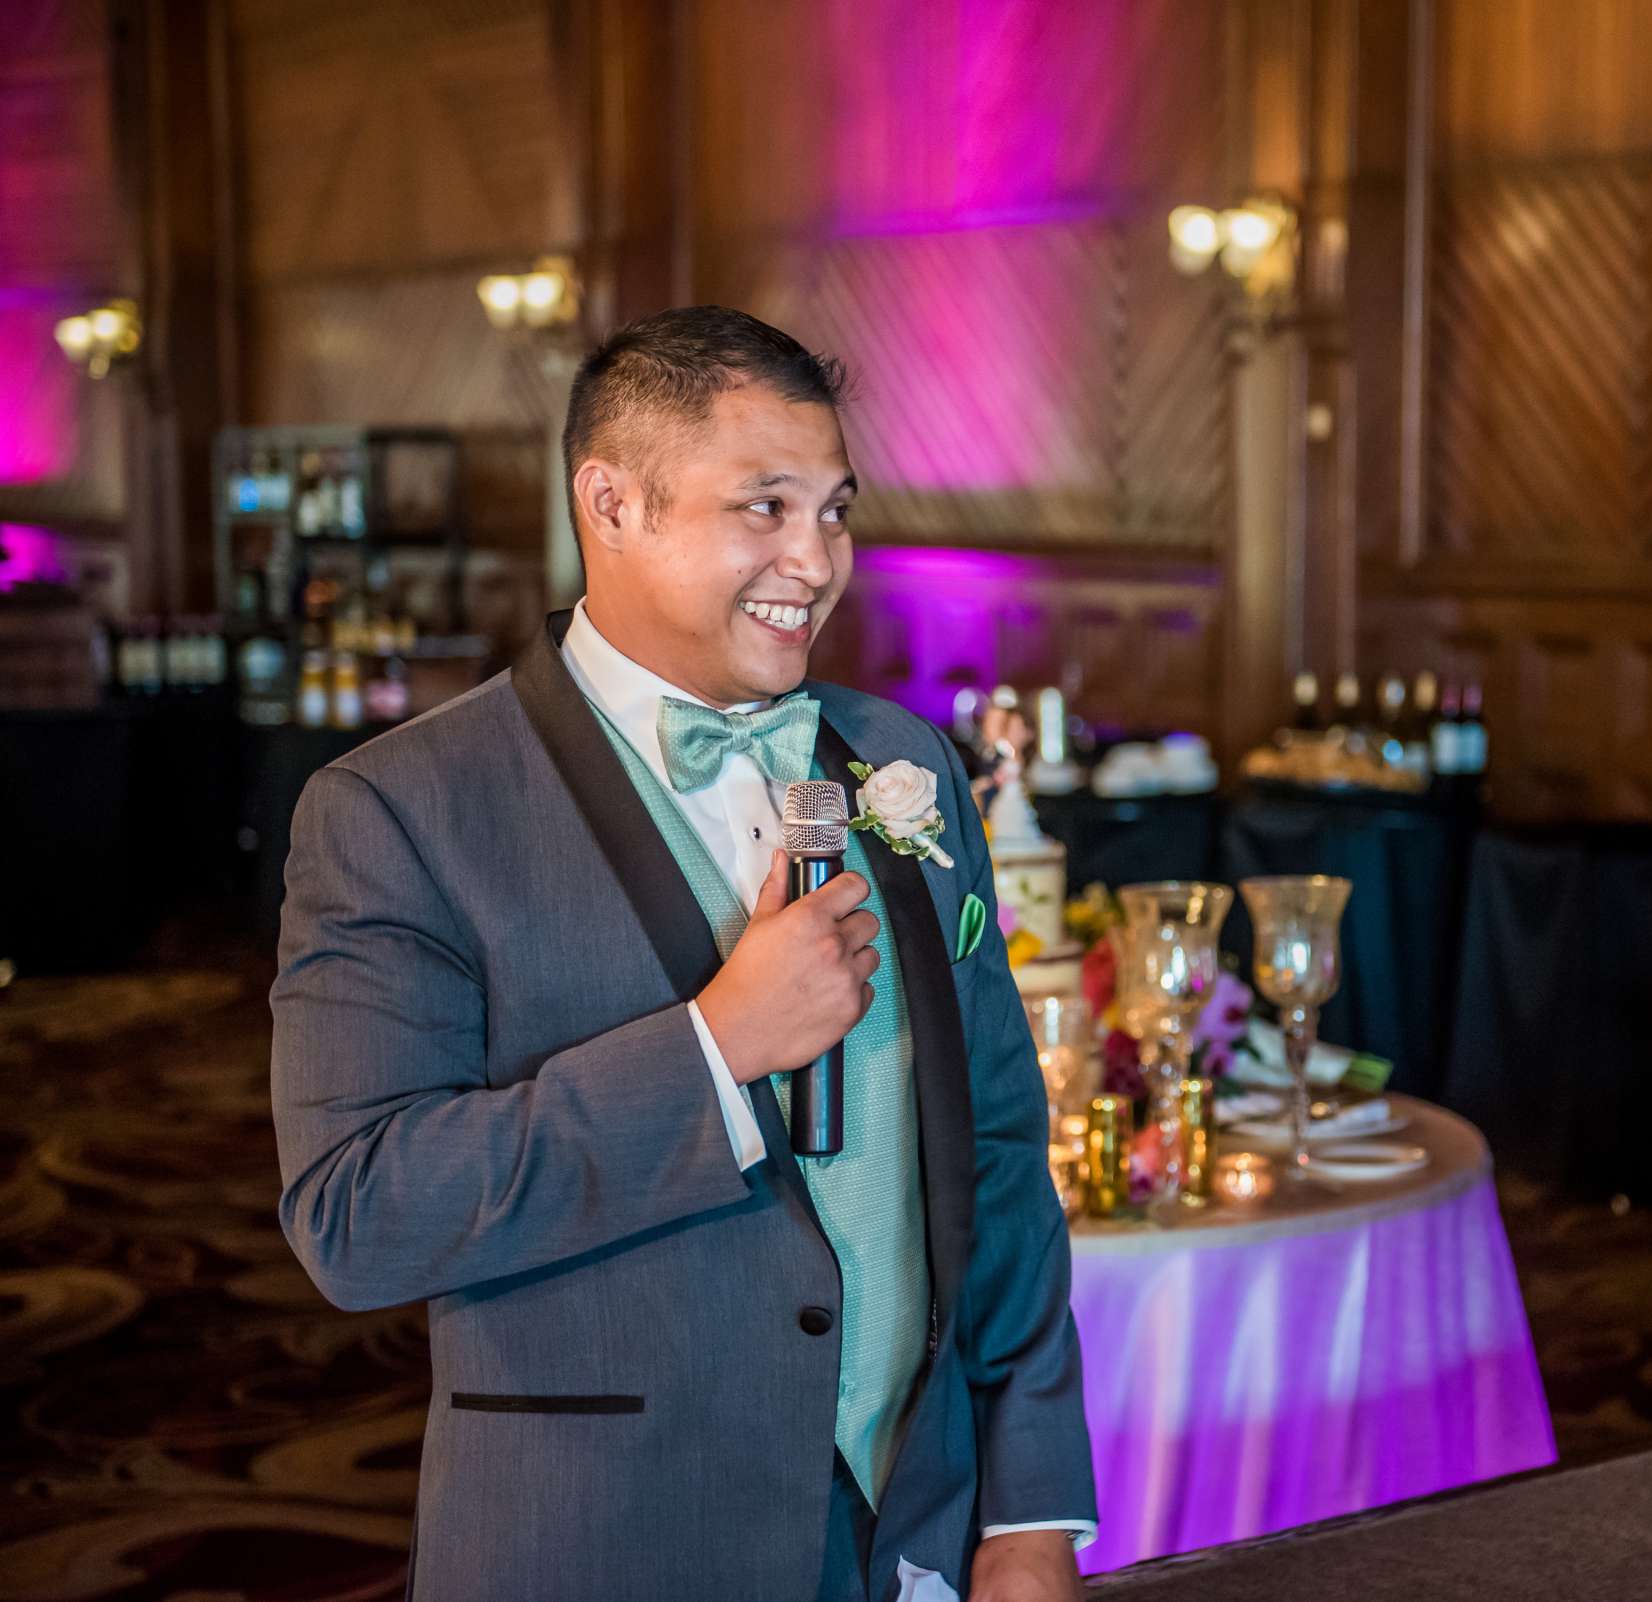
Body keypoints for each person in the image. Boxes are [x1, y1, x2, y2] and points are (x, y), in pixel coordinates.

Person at [270, 306, 1095, 1602]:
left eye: (833, 509)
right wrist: (717, 1050)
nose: (815, 560)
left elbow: (997, 1144)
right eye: (762, 506)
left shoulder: (907, 763)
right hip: (610, 1537)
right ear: (613, 505)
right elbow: (358, 1214)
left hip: (911, 1531)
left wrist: (1031, 1501)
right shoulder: (401, 808)